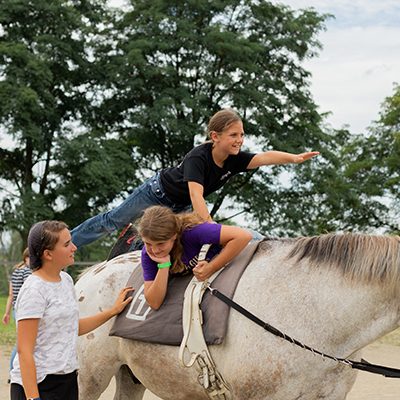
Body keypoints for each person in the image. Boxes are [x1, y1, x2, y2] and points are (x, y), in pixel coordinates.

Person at [71, 108, 319, 249]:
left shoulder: (234, 159)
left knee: (167, 242)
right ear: (215, 136)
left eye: (242, 135)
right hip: (155, 194)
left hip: (180, 207)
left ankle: (133, 257)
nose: (239, 140)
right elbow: (196, 195)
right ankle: (66, 244)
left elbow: (265, 157)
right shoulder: (198, 157)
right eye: (234, 135)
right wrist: (211, 226)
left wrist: (294, 158)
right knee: (111, 221)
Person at [9, 220, 133, 400]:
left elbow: (72, 327)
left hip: (67, 381)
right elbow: (24, 351)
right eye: (67, 244)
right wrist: (33, 398)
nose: (74, 247)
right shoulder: (34, 290)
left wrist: (112, 311)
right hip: (38, 386)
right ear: (48, 254)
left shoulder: (66, 280)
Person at [137, 205, 253, 310]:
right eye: (148, 243)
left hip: (240, 241)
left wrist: (212, 267)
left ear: (174, 235)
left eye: (161, 243)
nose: (155, 250)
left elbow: (243, 236)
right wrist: (164, 266)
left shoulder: (193, 232)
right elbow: (154, 303)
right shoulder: (148, 254)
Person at [2, 248, 32, 375]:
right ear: (25, 258)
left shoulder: (15, 272)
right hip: (26, 310)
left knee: (21, 341)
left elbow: (11, 295)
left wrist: (7, 312)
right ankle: (15, 370)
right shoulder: (28, 272)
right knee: (23, 343)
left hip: (17, 310)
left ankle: (12, 371)